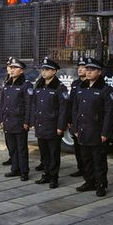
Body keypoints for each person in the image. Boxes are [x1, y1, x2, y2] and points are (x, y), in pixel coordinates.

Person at [71, 57, 113, 196]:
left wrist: (105, 132)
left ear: (99, 72)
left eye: (92, 70)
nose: (88, 72)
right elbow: (75, 110)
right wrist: (75, 129)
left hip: (97, 131)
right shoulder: (80, 88)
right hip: (83, 130)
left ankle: (101, 184)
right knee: (86, 159)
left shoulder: (105, 89)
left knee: (99, 160)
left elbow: (109, 113)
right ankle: (89, 181)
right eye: (87, 69)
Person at [32, 57, 69, 188]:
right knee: (44, 153)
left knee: (53, 154)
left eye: (47, 69)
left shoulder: (60, 87)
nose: (44, 72)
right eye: (43, 69)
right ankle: (46, 174)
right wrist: (33, 121)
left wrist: (61, 127)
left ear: (54, 71)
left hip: (53, 126)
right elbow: (34, 105)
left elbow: (64, 109)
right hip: (41, 125)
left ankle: (54, 177)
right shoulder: (39, 85)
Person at [0, 57, 32, 181]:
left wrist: (27, 121)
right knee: (12, 147)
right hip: (8, 121)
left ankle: (24, 171)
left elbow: (29, 104)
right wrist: (1, 119)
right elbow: (2, 103)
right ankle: (15, 168)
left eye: (15, 68)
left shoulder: (25, 85)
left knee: (21, 148)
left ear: (21, 70)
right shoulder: (7, 84)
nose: (11, 70)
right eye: (11, 68)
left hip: (19, 122)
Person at [67, 57, 87, 178]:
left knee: (86, 148)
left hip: (87, 120)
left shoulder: (89, 84)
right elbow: (71, 103)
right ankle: (80, 168)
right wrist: (70, 119)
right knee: (77, 146)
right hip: (76, 120)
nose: (80, 69)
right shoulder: (75, 84)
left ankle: (88, 170)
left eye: (83, 67)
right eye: (79, 67)